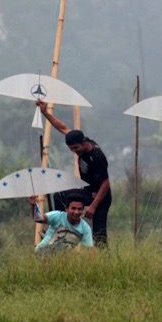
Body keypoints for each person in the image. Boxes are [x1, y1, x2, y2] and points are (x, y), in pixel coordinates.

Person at [36, 99, 111, 247]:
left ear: (83, 143)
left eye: (76, 148)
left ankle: (105, 262)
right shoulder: (78, 139)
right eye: (71, 149)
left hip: (101, 197)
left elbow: (105, 184)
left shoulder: (97, 156)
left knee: (99, 235)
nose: (74, 152)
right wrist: (45, 112)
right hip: (88, 191)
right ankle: (58, 227)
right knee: (59, 196)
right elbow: (62, 127)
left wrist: (93, 207)